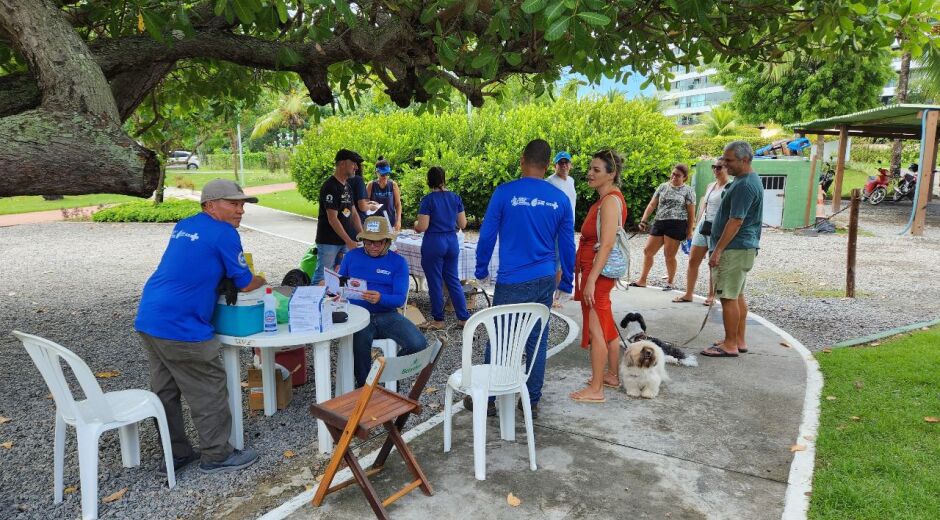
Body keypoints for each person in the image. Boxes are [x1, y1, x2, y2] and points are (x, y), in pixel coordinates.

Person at [135, 179, 266, 475]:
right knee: (208, 387)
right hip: (181, 324)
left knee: (165, 391)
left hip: (150, 315)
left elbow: (194, 264)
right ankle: (217, 455)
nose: (240, 210)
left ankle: (175, 452)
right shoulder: (224, 233)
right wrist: (262, 280)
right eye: (233, 204)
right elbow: (245, 283)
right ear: (210, 205)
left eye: (242, 204)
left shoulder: (184, 224)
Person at [473, 139, 576, 418]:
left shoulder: (505, 193)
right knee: (536, 338)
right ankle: (531, 399)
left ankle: (489, 398)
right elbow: (567, 246)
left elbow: (487, 236)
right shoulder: (561, 200)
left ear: (522, 160)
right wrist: (566, 282)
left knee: (500, 337)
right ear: (547, 165)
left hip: (512, 280)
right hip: (544, 279)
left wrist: (481, 269)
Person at [339, 216, 428, 386]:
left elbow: (400, 299)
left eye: (378, 242)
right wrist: (333, 288)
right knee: (359, 344)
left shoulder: (398, 262)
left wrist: (381, 298)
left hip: (387, 314)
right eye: (368, 242)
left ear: (387, 242)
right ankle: (365, 385)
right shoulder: (351, 256)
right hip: (359, 315)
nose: (372, 246)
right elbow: (341, 283)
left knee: (418, 344)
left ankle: (384, 376)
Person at [569, 151, 628, 403]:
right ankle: (611, 375)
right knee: (604, 323)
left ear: (611, 174)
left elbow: (605, 245)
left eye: (596, 170)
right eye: (590, 169)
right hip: (596, 272)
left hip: (598, 273)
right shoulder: (608, 199)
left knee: (596, 330)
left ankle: (596, 388)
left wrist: (591, 280)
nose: (590, 173)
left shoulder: (610, 201)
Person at [702, 141, 764, 358]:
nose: (724, 164)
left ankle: (730, 344)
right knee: (736, 295)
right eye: (724, 159)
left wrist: (718, 250)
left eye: (729, 160)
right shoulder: (746, 180)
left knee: (727, 296)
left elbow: (736, 221)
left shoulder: (745, 185)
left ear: (744, 160)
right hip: (741, 248)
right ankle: (738, 339)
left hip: (734, 248)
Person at [414, 166, 470, 330]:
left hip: (434, 242)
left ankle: (439, 320)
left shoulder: (428, 200)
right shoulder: (455, 197)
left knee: (435, 282)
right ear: (444, 179)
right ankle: (463, 318)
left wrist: (415, 225)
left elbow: (423, 226)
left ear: (428, 181)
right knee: (453, 281)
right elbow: (463, 224)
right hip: (452, 241)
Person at [673, 158, 731, 305]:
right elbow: (703, 206)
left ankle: (711, 295)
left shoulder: (731, 186)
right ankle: (688, 293)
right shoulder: (710, 186)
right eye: (714, 167)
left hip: (717, 228)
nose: (716, 170)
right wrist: (695, 226)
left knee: (713, 263)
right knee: (693, 260)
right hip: (703, 226)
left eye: (719, 167)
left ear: (727, 168)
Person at [632, 164, 695, 291]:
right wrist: (644, 220)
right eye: (673, 173)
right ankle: (642, 279)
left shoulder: (688, 190)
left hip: (677, 224)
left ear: (685, 177)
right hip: (659, 222)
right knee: (648, 251)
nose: (674, 176)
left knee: (669, 255)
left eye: (678, 175)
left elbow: (691, 212)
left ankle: (670, 282)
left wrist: (689, 230)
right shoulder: (662, 187)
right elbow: (652, 204)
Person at [312, 149, 364, 285]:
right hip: (329, 242)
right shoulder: (330, 186)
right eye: (353, 163)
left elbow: (353, 213)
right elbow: (332, 218)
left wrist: (363, 235)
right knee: (321, 277)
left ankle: (332, 304)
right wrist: (349, 241)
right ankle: (310, 304)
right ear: (342, 164)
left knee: (339, 276)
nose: (356, 167)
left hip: (343, 242)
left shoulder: (347, 186)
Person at [546, 150, 577, 305]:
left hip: (568, 226)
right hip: (556, 227)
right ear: (555, 165)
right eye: (561, 163)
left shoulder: (570, 180)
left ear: (570, 165)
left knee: (567, 259)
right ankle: (554, 297)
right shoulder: (549, 182)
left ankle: (562, 290)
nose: (564, 165)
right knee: (557, 260)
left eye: (566, 162)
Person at [367, 157, 403, 232]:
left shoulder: (393, 185)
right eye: (383, 174)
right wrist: (370, 204)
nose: (385, 176)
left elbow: (398, 204)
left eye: (387, 174)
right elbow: (364, 204)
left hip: (389, 222)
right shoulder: (371, 185)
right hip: (374, 224)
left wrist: (398, 221)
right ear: (377, 172)